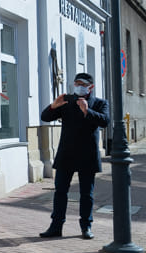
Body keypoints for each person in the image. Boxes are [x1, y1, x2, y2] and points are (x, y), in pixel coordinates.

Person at [39, 72, 110, 240]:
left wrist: (87, 111)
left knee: (87, 194)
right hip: (67, 154)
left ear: (90, 87)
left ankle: (86, 227)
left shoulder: (100, 103)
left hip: (88, 155)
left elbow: (105, 121)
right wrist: (53, 106)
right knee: (60, 192)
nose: (79, 86)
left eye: (83, 84)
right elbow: (45, 117)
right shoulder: (66, 101)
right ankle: (56, 226)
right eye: (77, 83)